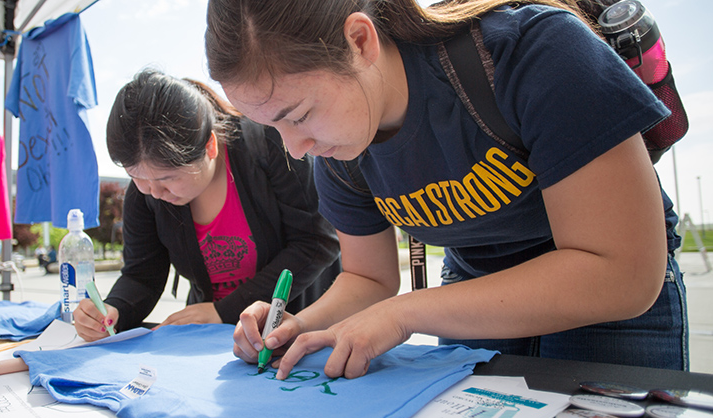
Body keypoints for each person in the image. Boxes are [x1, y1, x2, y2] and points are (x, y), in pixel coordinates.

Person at [206, 0, 687, 379]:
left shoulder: (533, 53)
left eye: (299, 114)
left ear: (359, 40)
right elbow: (369, 279)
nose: (296, 149)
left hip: (606, 301)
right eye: (272, 127)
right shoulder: (337, 153)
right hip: (472, 294)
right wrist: (299, 325)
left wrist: (404, 314)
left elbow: (620, 272)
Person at [72, 68, 342, 341]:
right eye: (137, 177)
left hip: (295, 328)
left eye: (168, 179)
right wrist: (114, 308)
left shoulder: (271, 146)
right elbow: (142, 274)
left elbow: (317, 241)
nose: (153, 192)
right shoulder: (146, 192)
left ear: (210, 146)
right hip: (209, 337)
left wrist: (224, 311)